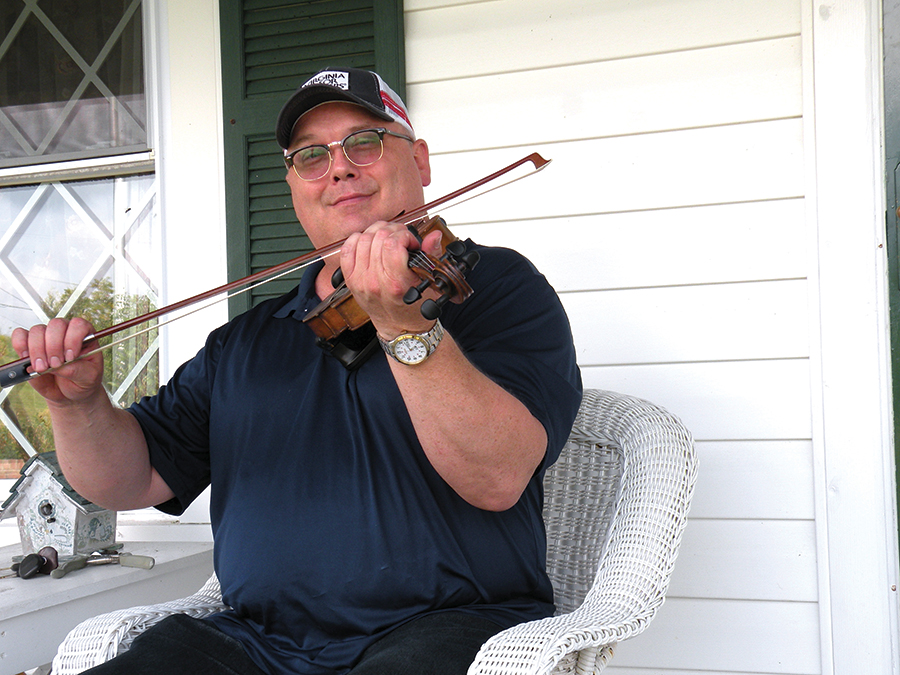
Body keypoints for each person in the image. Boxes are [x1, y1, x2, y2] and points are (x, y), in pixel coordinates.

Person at [12, 68, 582, 675]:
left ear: (418, 160)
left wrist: (407, 328)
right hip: (254, 642)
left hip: (452, 629)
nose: (338, 168)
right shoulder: (244, 342)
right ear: (294, 185)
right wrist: (77, 404)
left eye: (363, 143)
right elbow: (127, 481)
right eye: (311, 156)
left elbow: (497, 476)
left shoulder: (494, 290)